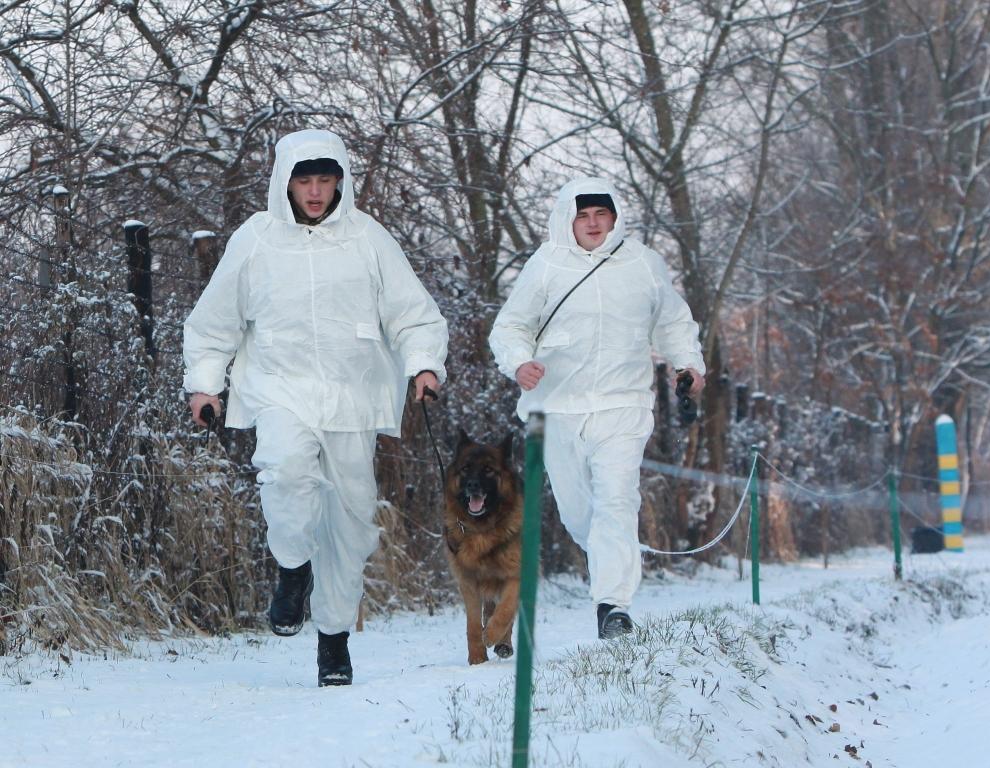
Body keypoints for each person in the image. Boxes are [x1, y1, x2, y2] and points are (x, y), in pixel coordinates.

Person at [183, 129, 448, 686]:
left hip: (352, 397)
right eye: (305, 179)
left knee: (350, 525)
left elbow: (412, 313)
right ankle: (292, 568)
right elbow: (215, 321)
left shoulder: (368, 238)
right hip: (280, 386)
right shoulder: (256, 239)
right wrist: (206, 384)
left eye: (326, 179)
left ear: (340, 181)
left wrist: (423, 363)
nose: (316, 190)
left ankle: (333, 639)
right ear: (286, 180)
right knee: (283, 473)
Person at [489, 177, 705, 639]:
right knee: (579, 513)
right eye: (583, 215)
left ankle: (613, 606)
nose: (592, 224)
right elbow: (510, 327)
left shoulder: (644, 263)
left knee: (616, 500)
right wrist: (519, 363)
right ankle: (609, 555)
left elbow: (673, 322)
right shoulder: (546, 263)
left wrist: (688, 364)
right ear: (569, 218)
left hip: (622, 405)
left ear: (615, 216)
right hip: (557, 407)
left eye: (600, 215)